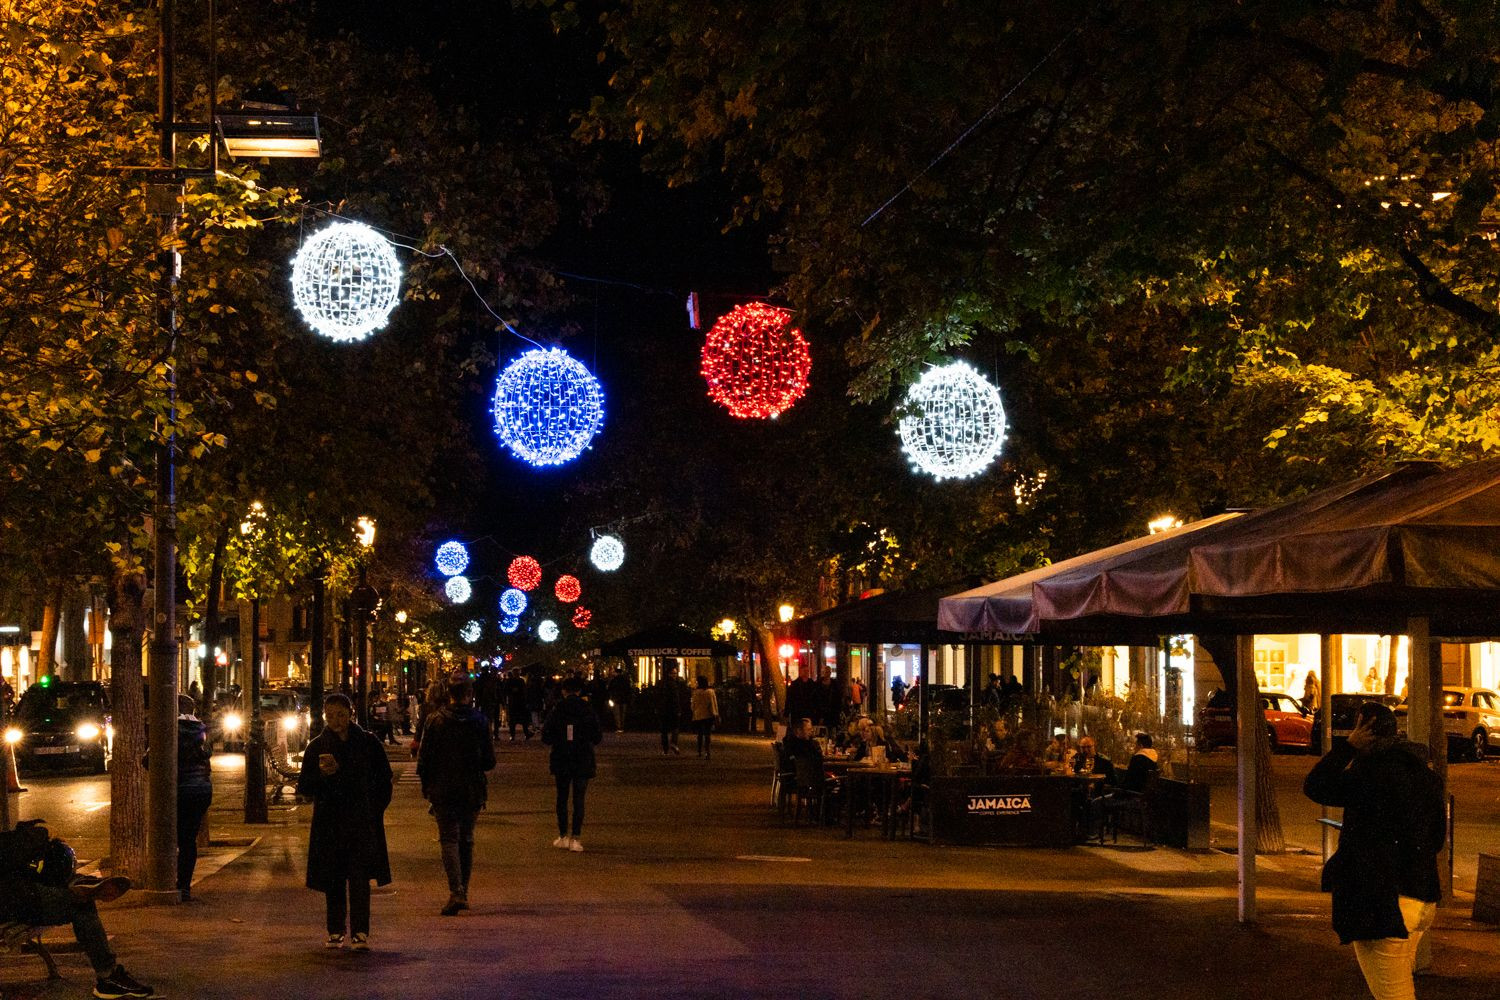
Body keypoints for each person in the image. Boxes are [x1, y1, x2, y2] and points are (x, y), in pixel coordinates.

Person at [1304, 702, 1445, 1000]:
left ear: (1364, 731)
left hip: (1382, 905)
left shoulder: (1368, 775)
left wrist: (1347, 748)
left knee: (1394, 996)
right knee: (1397, 984)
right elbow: (1436, 839)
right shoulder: (1426, 776)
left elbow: (1315, 786)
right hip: (1420, 899)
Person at [0, 822, 152, 998]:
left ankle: (78, 885)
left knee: (77, 897)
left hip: (18, 893)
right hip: (14, 899)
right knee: (79, 902)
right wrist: (40, 833)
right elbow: (8, 850)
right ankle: (108, 977)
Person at [296, 693, 393, 951]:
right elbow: (305, 785)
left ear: (350, 714)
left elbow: (384, 780)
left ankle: (360, 931)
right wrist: (322, 776)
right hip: (331, 821)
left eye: (340, 714)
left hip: (360, 820)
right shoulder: (317, 747)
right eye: (330, 715)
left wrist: (374, 809)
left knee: (359, 878)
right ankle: (336, 930)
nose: (336, 720)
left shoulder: (368, 743)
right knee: (334, 878)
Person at [417, 679, 496, 916]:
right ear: (469, 695)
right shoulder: (480, 721)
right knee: (467, 839)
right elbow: (489, 761)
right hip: (471, 788)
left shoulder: (435, 720)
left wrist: (427, 786)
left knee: (449, 839)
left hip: (443, 788)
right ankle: (463, 891)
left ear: (449, 695)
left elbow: (424, 759)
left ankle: (456, 890)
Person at [542, 675, 603, 852]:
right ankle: (576, 837)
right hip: (582, 756)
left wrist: (559, 740)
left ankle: (563, 835)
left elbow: (546, 735)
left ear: (564, 691)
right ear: (579, 691)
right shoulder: (587, 709)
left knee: (562, 797)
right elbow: (597, 736)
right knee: (579, 799)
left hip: (562, 756)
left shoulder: (557, 709)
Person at [175, 694, 213, 901]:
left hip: (179, 788)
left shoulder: (170, 728)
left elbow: (149, 759)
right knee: (188, 840)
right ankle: (184, 886)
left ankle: (172, 882)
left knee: (171, 837)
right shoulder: (201, 729)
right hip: (201, 789)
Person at [655, 662, 685, 755]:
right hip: (672, 710)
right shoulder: (674, 685)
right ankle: (674, 743)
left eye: (676, 673)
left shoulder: (661, 683)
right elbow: (675, 698)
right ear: (669, 674)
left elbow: (657, 696)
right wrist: (678, 709)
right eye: (673, 673)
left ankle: (665, 749)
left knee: (664, 730)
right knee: (675, 728)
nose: (675, 675)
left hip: (663, 710)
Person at [690, 675, 719, 759]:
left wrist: (694, 712)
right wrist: (715, 714)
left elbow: (693, 705)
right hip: (708, 715)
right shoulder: (710, 692)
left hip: (698, 715)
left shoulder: (695, 692)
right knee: (707, 734)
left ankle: (699, 751)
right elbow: (713, 704)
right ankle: (707, 751)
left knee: (699, 734)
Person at [504, 669, 533, 740]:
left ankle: (525, 734)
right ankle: (513, 735)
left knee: (522, 720)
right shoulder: (510, 681)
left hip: (520, 702)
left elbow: (524, 691)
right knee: (513, 720)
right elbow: (506, 690)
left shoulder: (520, 681)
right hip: (514, 702)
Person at [607, 667, 633, 732]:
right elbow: (628, 690)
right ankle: (623, 726)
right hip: (624, 699)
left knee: (617, 713)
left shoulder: (614, 680)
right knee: (623, 713)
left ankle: (619, 727)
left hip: (616, 699)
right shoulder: (625, 680)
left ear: (616, 673)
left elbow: (610, 689)